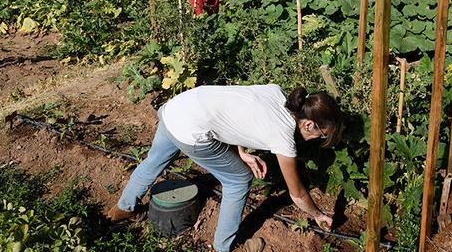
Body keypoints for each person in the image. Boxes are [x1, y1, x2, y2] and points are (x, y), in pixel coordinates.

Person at [108, 85, 343, 252]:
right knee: (238, 179)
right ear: (309, 124)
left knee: (154, 160)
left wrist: (241, 152)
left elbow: (237, 109)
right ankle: (223, 247)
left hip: (176, 109)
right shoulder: (283, 137)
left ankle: (123, 208)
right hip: (191, 129)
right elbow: (298, 194)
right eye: (320, 135)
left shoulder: (276, 92)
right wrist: (318, 215)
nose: (316, 140)